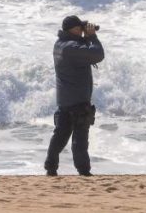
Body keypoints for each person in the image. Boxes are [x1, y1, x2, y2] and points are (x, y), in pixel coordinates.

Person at [44, 15, 104, 177]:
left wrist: (85, 36)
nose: (80, 32)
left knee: (60, 137)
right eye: (78, 29)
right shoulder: (71, 48)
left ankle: (51, 168)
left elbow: (80, 49)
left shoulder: (60, 45)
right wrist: (92, 36)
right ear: (72, 30)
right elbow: (98, 55)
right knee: (80, 140)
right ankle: (84, 172)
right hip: (77, 101)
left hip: (65, 100)